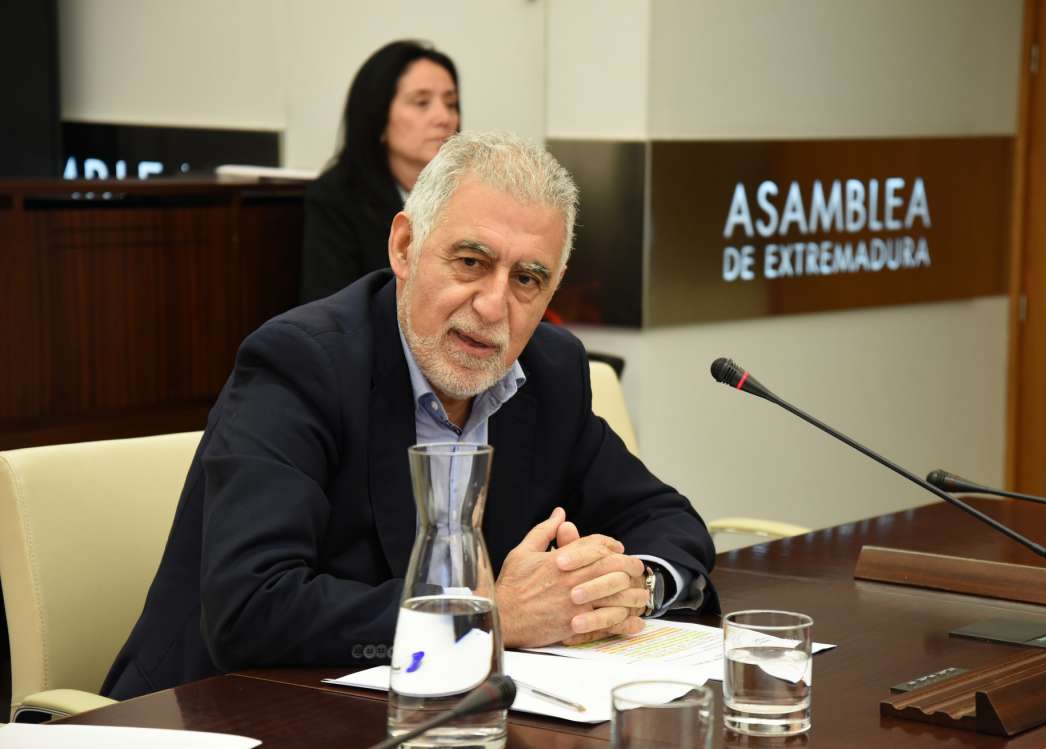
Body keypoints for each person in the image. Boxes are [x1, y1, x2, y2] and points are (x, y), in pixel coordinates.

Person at [103, 132, 718, 700]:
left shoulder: (551, 371)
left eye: (527, 279)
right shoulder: (301, 364)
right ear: (405, 247)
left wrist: (629, 586)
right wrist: (486, 615)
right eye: (471, 261)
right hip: (215, 720)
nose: (493, 306)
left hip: (439, 715)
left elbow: (665, 519)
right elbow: (251, 609)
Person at [299, 40, 460, 304]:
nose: (444, 118)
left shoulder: (467, 190)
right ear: (378, 119)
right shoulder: (338, 196)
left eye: (451, 104)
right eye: (422, 102)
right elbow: (329, 306)